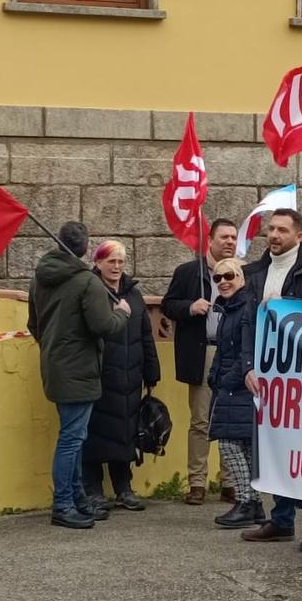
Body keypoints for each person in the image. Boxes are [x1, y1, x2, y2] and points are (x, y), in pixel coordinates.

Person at [28, 221, 131, 531]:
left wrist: (53, 348)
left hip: (55, 365)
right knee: (72, 439)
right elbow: (104, 326)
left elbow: (34, 324)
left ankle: (77, 498)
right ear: (86, 249)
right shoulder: (87, 281)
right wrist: (122, 312)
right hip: (80, 369)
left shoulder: (40, 278)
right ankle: (63, 504)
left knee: (75, 434)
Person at [240, 209, 302, 552]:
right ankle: (281, 519)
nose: (274, 235)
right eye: (271, 229)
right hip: (268, 377)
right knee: (276, 448)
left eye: (282, 230)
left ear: (299, 235)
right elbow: (248, 321)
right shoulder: (258, 271)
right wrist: (248, 365)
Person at [162, 220, 239, 506]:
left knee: (230, 419)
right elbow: (169, 305)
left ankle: (230, 481)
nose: (230, 241)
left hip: (232, 353)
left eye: (233, 237)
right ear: (211, 239)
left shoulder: (241, 272)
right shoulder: (188, 272)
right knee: (201, 420)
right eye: (224, 237)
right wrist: (190, 307)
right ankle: (197, 482)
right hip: (203, 351)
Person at [82, 241, 161, 513]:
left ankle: (123, 488)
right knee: (94, 434)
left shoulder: (133, 294)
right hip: (99, 375)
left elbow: (145, 334)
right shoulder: (91, 291)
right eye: (110, 261)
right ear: (98, 263)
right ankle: (93, 490)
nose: (116, 267)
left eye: (120, 262)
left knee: (125, 433)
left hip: (130, 377)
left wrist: (152, 369)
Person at [206, 258, 265, 528]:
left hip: (239, 387)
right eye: (218, 278)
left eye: (229, 275)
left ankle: (246, 502)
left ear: (241, 277)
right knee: (243, 447)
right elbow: (224, 350)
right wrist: (215, 377)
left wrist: (226, 380)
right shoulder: (230, 308)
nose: (223, 281)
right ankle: (253, 503)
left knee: (229, 444)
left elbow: (247, 350)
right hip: (230, 386)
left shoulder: (245, 307)